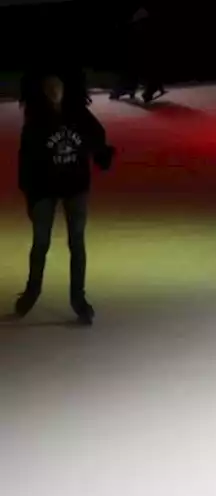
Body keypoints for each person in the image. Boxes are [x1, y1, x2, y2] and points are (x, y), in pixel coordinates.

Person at [14, 70, 116, 325]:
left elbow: (97, 137)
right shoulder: (36, 121)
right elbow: (25, 161)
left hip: (75, 187)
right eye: (48, 85)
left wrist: (102, 155)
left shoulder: (79, 115)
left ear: (66, 87)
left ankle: (78, 299)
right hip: (44, 189)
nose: (53, 89)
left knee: (77, 243)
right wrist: (31, 196)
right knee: (40, 243)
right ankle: (32, 292)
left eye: (57, 84)